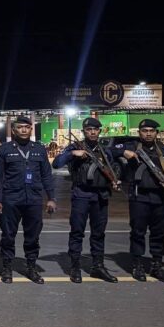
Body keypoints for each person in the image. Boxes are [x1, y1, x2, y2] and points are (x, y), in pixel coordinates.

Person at [51, 117, 118, 283]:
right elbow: (56, 163)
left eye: (95, 129)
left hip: (101, 196)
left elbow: (113, 169)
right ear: (84, 131)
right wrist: (72, 154)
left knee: (99, 233)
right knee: (77, 231)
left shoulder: (105, 150)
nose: (92, 132)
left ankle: (98, 266)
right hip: (81, 194)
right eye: (89, 129)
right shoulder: (75, 147)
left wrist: (114, 180)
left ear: (100, 131)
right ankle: (75, 266)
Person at [112, 119, 164, 282]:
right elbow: (110, 150)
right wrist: (124, 152)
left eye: (151, 131)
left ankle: (156, 265)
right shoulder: (132, 146)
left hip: (160, 197)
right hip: (139, 196)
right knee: (138, 232)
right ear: (139, 132)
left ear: (156, 133)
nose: (148, 134)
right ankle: (137, 264)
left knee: (159, 232)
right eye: (145, 130)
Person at [0, 116, 56, 284]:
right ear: (13, 130)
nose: (23, 130)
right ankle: (7, 268)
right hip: (11, 199)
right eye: (20, 127)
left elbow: (46, 175)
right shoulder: (4, 150)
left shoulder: (39, 149)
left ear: (31, 129)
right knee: (8, 235)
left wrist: (51, 198)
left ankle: (31, 267)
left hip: (33, 199)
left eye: (27, 127)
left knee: (33, 236)